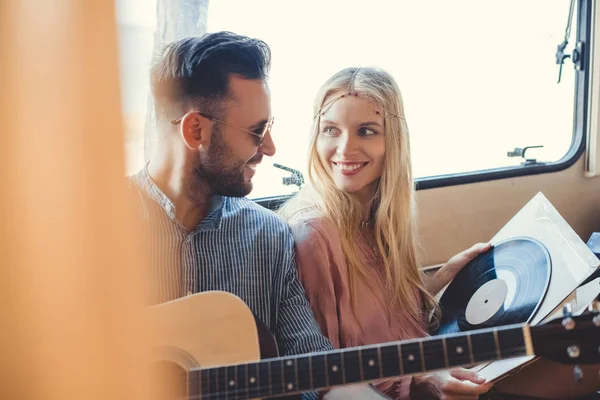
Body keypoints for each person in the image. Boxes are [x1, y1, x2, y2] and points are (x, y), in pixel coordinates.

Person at [130, 32, 387, 399]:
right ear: (195, 130)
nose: (269, 147)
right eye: (256, 131)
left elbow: (315, 364)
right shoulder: (90, 227)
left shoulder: (268, 236)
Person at [279, 67, 494, 400]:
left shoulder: (378, 219)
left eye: (366, 131)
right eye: (331, 130)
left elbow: (381, 323)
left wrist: (441, 278)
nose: (345, 148)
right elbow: (330, 379)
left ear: (394, 140)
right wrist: (422, 381)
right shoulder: (315, 233)